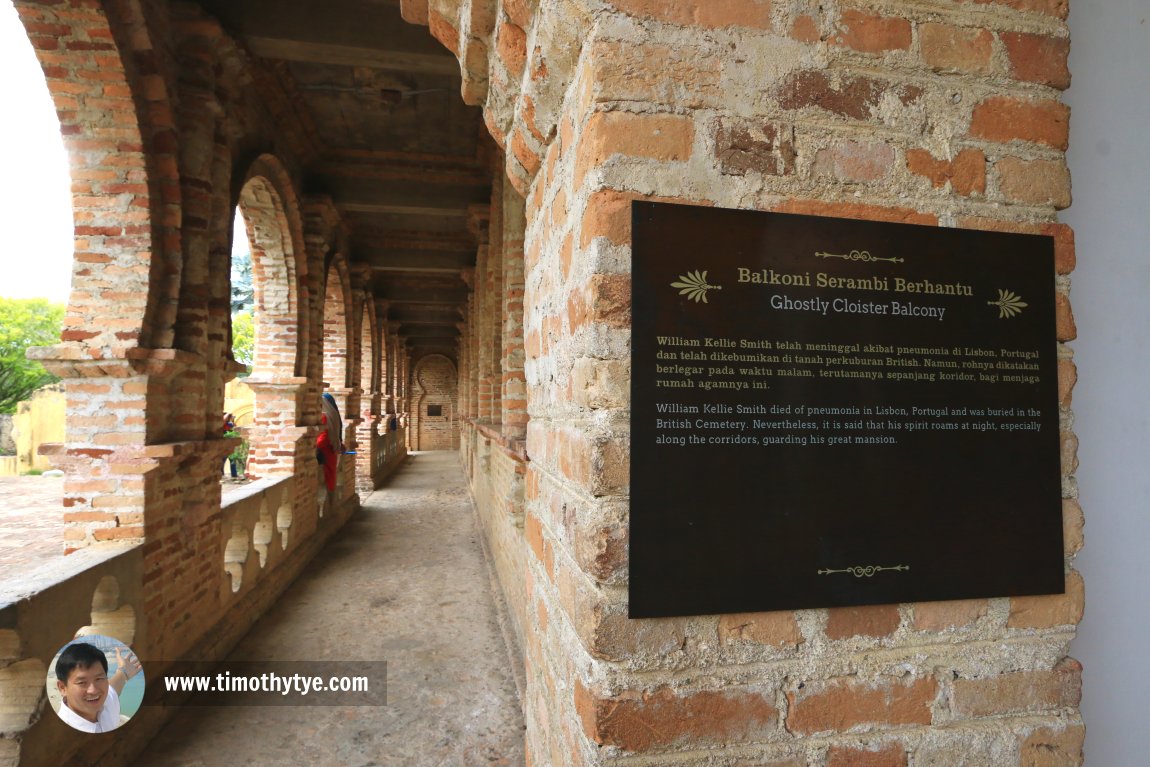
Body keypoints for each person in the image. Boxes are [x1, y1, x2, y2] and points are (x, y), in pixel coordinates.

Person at [54, 642, 141, 733]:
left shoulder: (106, 702)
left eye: (99, 678)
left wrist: (124, 671)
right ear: (62, 688)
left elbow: (114, 686)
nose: (93, 690)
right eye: (82, 682)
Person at [315, 394, 344, 495]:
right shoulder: (333, 415)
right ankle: (331, 499)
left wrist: (313, 447)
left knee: (328, 476)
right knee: (331, 476)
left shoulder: (323, 416)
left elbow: (323, 437)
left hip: (325, 451)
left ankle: (330, 502)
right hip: (331, 449)